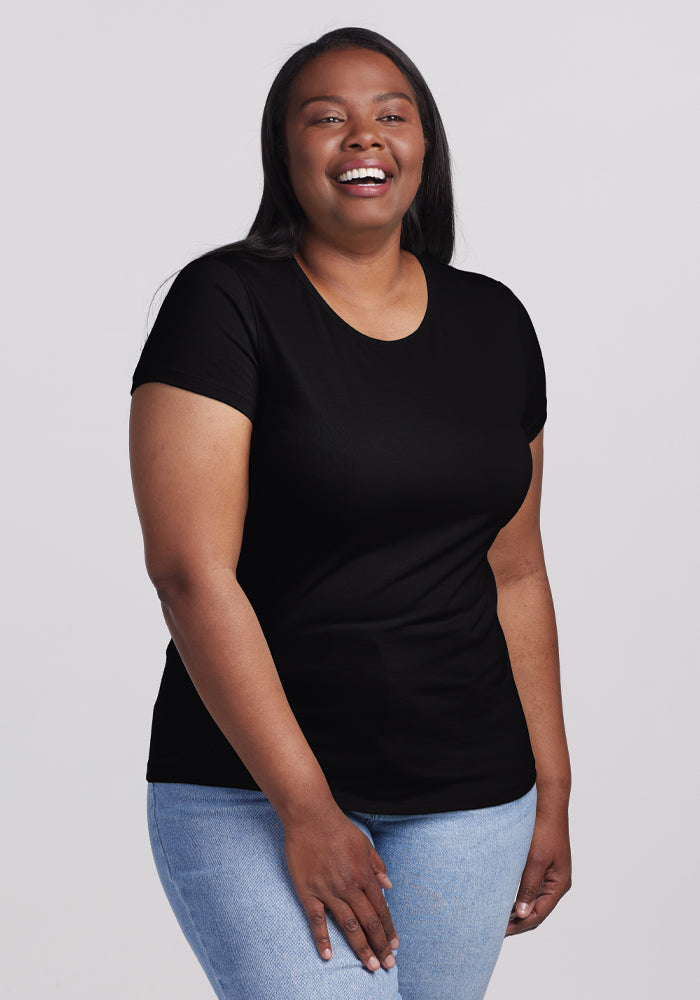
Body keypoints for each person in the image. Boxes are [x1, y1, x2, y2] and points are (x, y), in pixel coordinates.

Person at [128, 25, 572, 1000]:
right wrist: (307, 807)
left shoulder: (494, 321)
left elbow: (515, 569)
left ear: (424, 147)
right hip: (248, 791)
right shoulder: (223, 303)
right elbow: (190, 573)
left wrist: (553, 788)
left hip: (470, 798)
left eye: (390, 115)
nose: (363, 135)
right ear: (284, 151)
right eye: (325, 117)